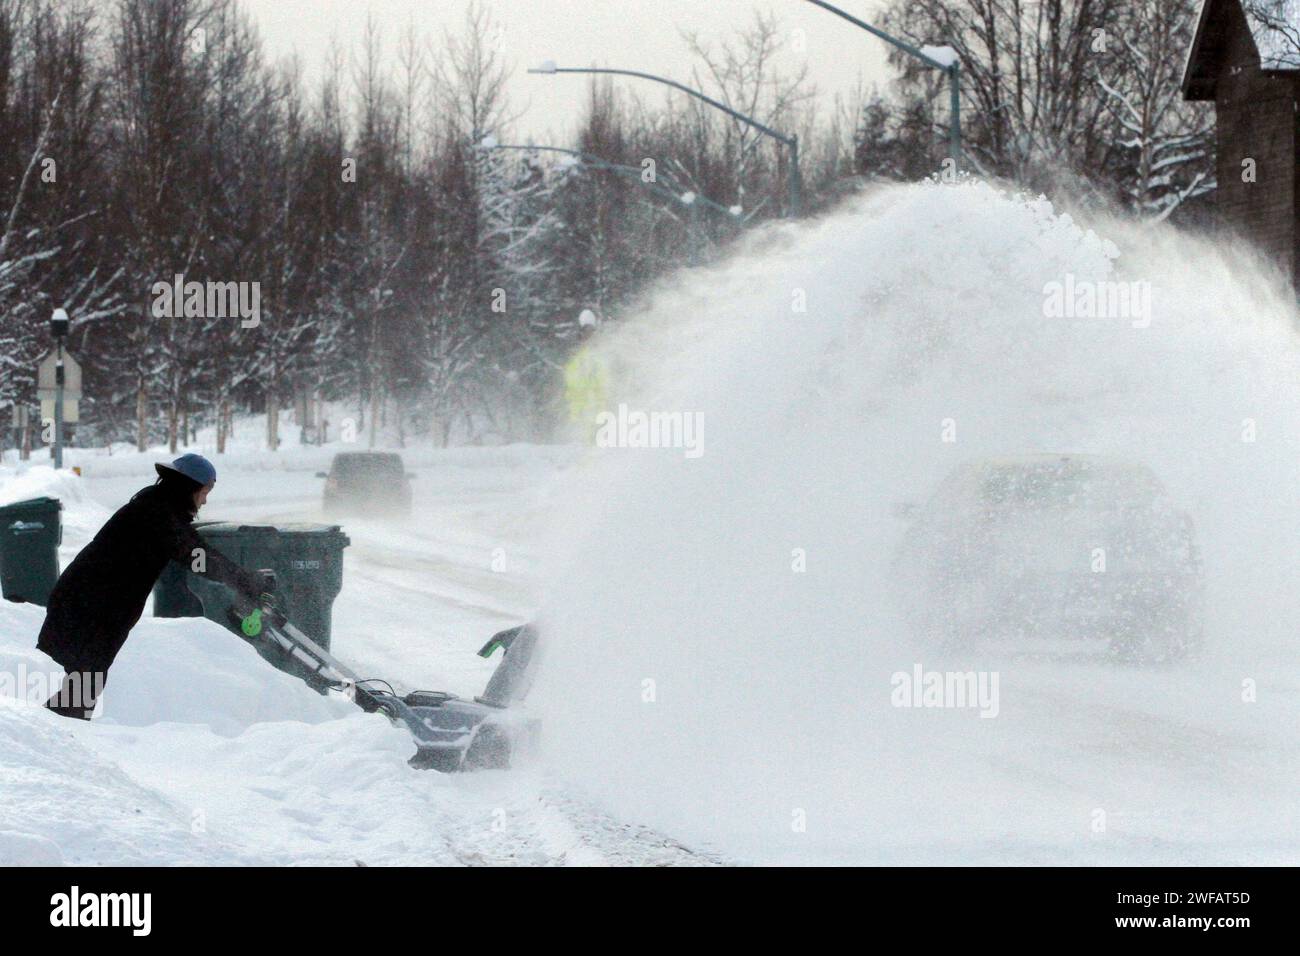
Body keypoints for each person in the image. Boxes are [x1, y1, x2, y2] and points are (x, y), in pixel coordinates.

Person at [37, 453, 269, 719]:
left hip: (91, 604)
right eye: (205, 492)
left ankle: (54, 734)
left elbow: (195, 550)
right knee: (85, 683)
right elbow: (198, 558)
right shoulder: (158, 514)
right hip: (88, 607)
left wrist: (240, 579)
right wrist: (244, 581)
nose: (205, 500)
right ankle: (51, 737)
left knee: (84, 683)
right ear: (190, 487)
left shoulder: (159, 507)